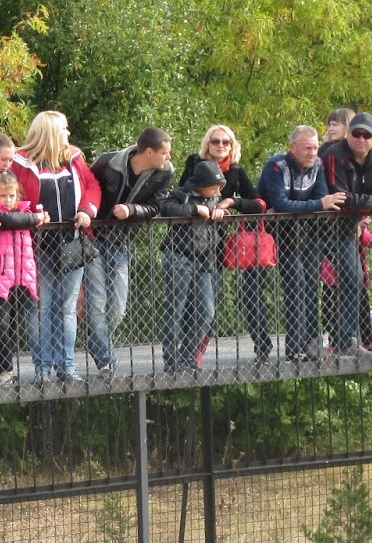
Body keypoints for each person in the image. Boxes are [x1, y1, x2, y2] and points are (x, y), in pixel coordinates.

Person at [9, 111, 100, 383]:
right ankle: (42, 368)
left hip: (71, 243)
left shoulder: (73, 157)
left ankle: (66, 366)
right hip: (36, 247)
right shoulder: (20, 162)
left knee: (67, 307)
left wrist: (87, 210)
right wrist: (31, 214)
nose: (68, 134)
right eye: (64, 128)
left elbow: (93, 186)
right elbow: (11, 197)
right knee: (40, 308)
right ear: (49, 131)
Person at [87, 127, 174, 375]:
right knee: (97, 302)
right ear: (148, 152)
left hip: (120, 242)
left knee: (117, 307)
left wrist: (132, 210)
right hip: (92, 239)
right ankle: (106, 360)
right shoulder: (108, 162)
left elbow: (155, 206)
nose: (168, 158)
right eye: (165, 153)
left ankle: (97, 341)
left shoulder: (165, 172)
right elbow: (88, 189)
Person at [183, 125, 270, 362]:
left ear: (232, 146)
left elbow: (259, 204)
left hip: (217, 244)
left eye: (226, 142)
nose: (221, 145)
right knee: (188, 302)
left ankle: (196, 352)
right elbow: (182, 194)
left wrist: (231, 202)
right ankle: (184, 352)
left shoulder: (235, 172)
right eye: (215, 141)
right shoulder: (194, 163)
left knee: (209, 302)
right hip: (189, 241)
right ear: (207, 144)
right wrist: (206, 207)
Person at [260, 126, 344, 360]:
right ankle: (294, 348)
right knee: (296, 288)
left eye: (315, 147)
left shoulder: (318, 165)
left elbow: (321, 196)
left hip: (309, 235)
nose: (312, 152)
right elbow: (282, 203)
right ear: (293, 147)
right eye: (307, 147)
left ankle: (310, 345)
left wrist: (312, 205)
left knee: (310, 288)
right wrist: (316, 205)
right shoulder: (277, 167)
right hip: (282, 236)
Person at [319, 112, 372, 355]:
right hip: (324, 226)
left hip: (351, 228)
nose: (361, 139)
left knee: (356, 279)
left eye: (367, 135)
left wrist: (369, 205)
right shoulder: (334, 154)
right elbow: (339, 198)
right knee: (340, 279)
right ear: (349, 134)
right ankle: (340, 340)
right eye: (356, 133)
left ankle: (349, 339)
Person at [159, 160, 232, 371]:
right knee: (176, 308)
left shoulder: (216, 198)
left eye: (220, 186)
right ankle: (172, 360)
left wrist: (223, 214)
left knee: (207, 312)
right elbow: (165, 209)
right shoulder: (182, 194)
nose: (217, 190)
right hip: (179, 256)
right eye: (214, 185)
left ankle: (188, 356)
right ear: (201, 183)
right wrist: (193, 209)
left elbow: (222, 224)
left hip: (205, 259)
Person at [0, 169, 46, 385]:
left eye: (11, 196)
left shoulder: (25, 214)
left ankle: (6, 368)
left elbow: (22, 222)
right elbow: (6, 219)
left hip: (21, 278)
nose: (7, 200)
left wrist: (37, 218)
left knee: (13, 325)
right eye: (3, 196)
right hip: (0, 277)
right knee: (1, 324)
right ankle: (3, 368)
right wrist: (35, 218)